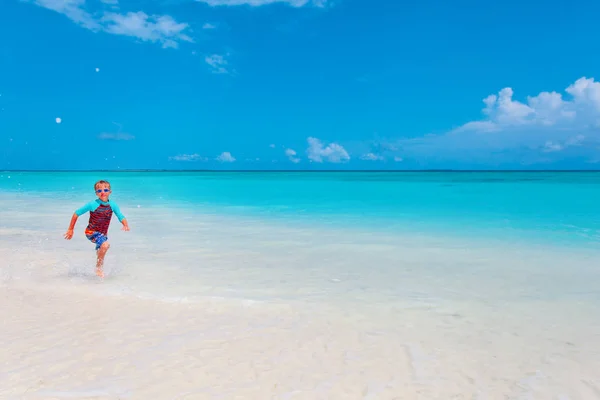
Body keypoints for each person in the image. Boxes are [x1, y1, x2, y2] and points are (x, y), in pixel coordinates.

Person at [64, 179, 130, 278]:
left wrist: (125, 224)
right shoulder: (92, 204)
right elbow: (76, 213)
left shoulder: (113, 205)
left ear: (110, 192)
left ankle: (99, 256)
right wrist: (70, 229)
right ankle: (98, 268)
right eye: (99, 191)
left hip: (102, 234)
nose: (102, 192)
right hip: (91, 232)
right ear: (96, 193)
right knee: (105, 245)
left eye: (105, 190)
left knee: (102, 248)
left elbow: (120, 216)